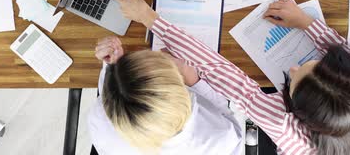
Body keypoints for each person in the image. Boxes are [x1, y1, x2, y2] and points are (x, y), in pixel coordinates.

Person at [99, 0, 350, 155]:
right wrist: (305, 22)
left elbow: (217, 69)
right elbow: (346, 55)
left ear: (296, 113)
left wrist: (152, 19)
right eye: (312, 65)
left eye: (293, 79)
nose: (294, 66)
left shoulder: (284, 127)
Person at [87, 36, 244, 154]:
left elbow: (113, 94)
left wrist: (116, 69)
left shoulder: (100, 118)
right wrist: (195, 82)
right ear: (181, 96)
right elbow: (232, 125)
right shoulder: (218, 138)